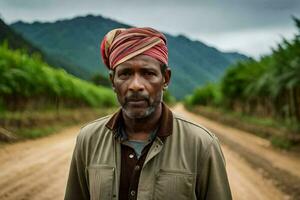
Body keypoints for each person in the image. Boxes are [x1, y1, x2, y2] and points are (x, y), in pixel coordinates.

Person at [65, 27, 232, 200]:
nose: (136, 85)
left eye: (148, 73)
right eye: (125, 74)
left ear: (165, 79)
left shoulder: (202, 144)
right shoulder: (89, 140)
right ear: (112, 81)